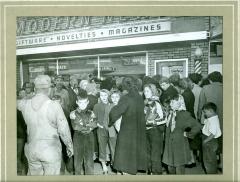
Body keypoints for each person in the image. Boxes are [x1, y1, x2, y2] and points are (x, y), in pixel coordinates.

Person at [17, 75, 73, 175]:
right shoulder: (54, 105)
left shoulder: (24, 104)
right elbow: (63, 129)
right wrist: (69, 146)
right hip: (50, 150)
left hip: (32, 149)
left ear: (35, 89)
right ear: (49, 89)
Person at [109, 76, 147, 175]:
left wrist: (111, 115)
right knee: (134, 153)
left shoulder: (126, 98)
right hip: (138, 129)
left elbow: (116, 112)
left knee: (124, 155)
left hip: (127, 130)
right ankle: (130, 170)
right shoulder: (139, 97)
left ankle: (125, 172)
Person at [162, 92, 201, 174]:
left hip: (179, 145)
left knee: (179, 168)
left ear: (180, 102)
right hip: (169, 145)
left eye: (173, 102)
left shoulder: (184, 115)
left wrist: (188, 134)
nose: (171, 104)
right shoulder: (171, 113)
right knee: (170, 167)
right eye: (171, 102)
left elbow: (197, 126)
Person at [198, 71, 223, 170]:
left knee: (210, 144)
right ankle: (222, 162)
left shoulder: (205, 88)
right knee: (223, 141)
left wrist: (201, 119)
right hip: (226, 121)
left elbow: (201, 106)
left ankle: (210, 166)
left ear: (210, 79)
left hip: (210, 120)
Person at [70, 89, 98, 175]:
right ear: (77, 102)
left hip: (89, 137)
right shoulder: (73, 113)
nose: (83, 105)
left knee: (89, 161)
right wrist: (88, 125)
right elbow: (75, 127)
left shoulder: (91, 113)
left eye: (85, 102)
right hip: (78, 137)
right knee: (78, 161)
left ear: (88, 102)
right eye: (81, 102)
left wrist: (84, 125)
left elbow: (95, 124)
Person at [143, 84, 166, 175]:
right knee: (147, 152)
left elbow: (164, 118)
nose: (145, 93)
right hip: (146, 130)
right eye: (144, 91)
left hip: (155, 131)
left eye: (147, 91)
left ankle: (156, 172)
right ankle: (150, 171)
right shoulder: (145, 103)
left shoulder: (157, 103)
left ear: (153, 91)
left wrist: (154, 122)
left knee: (155, 154)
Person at [93, 89, 117, 174]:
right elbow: (93, 119)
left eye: (105, 95)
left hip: (111, 129)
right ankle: (103, 165)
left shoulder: (113, 105)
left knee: (113, 147)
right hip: (101, 129)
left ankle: (114, 163)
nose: (103, 97)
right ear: (99, 96)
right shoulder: (96, 106)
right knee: (102, 147)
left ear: (108, 96)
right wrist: (98, 125)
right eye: (102, 95)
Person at [201, 102, 222, 174]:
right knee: (208, 158)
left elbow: (213, 134)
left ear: (211, 111)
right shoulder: (211, 118)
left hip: (210, 141)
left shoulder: (213, 120)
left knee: (209, 159)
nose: (204, 114)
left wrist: (205, 141)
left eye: (205, 112)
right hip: (208, 139)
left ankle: (211, 173)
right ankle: (210, 172)